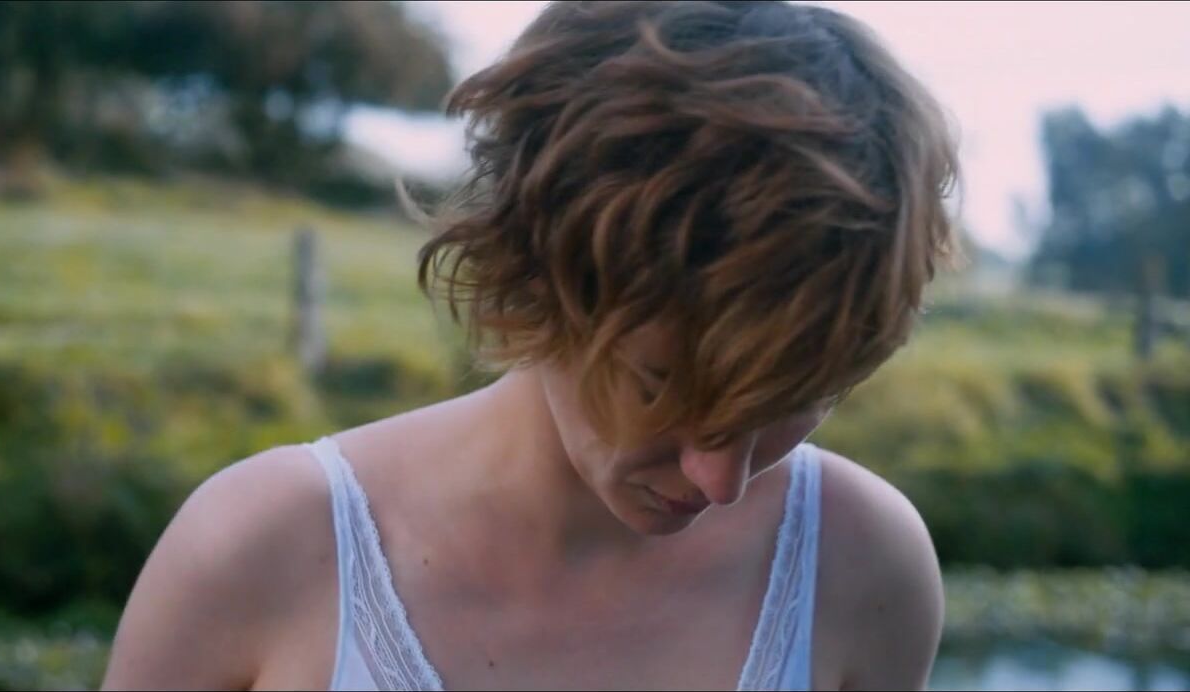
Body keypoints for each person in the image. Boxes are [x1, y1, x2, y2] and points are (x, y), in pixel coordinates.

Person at [102, 1, 960, 690]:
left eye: (784, 406)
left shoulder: (862, 566)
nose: (719, 479)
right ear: (544, 267)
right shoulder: (258, 548)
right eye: (660, 385)